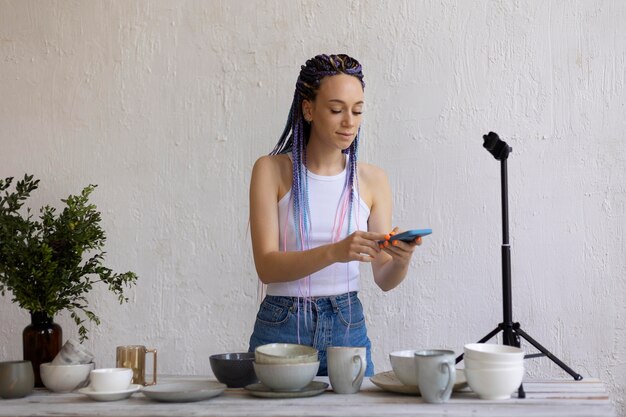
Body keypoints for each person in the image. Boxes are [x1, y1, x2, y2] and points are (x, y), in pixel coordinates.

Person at [247, 54, 422, 376]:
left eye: (357, 110)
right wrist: (336, 251)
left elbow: (384, 279)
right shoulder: (271, 170)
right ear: (309, 109)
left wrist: (400, 259)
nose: (350, 121)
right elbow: (267, 267)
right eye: (337, 109)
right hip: (283, 323)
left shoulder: (373, 180)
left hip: (347, 323)